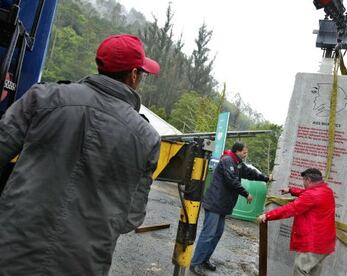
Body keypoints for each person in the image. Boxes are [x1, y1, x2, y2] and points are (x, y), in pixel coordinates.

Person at [0, 34, 161, 275]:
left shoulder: (44, 97)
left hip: (12, 249)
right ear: (134, 75)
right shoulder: (147, 137)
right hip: (83, 263)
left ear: (100, 66)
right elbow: (131, 218)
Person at [190, 141, 271, 275]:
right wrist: (246, 193)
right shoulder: (227, 161)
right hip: (215, 203)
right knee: (208, 234)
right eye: (244, 152)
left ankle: (204, 259)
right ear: (237, 151)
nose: (246, 155)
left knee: (217, 234)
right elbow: (231, 180)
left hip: (223, 205)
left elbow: (251, 173)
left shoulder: (238, 164)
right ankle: (195, 263)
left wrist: (266, 178)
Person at [257, 168, 336, 276]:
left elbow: (291, 208)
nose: (303, 183)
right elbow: (307, 193)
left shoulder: (311, 195)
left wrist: (267, 215)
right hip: (325, 243)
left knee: (301, 269)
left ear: (308, 180)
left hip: (313, 243)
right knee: (313, 272)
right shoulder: (326, 190)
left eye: (303, 180)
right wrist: (291, 190)